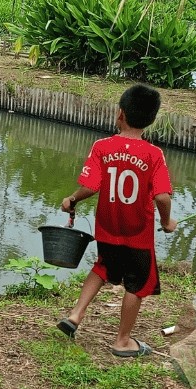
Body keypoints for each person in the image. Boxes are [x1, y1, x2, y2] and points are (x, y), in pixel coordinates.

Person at [56, 84, 178, 357]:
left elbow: (91, 185)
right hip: (138, 234)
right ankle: (122, 341)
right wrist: (168, 222)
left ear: (119, 114)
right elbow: (162, 197)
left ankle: (76, 314)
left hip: (108, 228)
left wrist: (72, 200)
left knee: (102, 267)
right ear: (151, 120)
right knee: (138, 284)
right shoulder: (154, 154)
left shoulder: (102, 147)